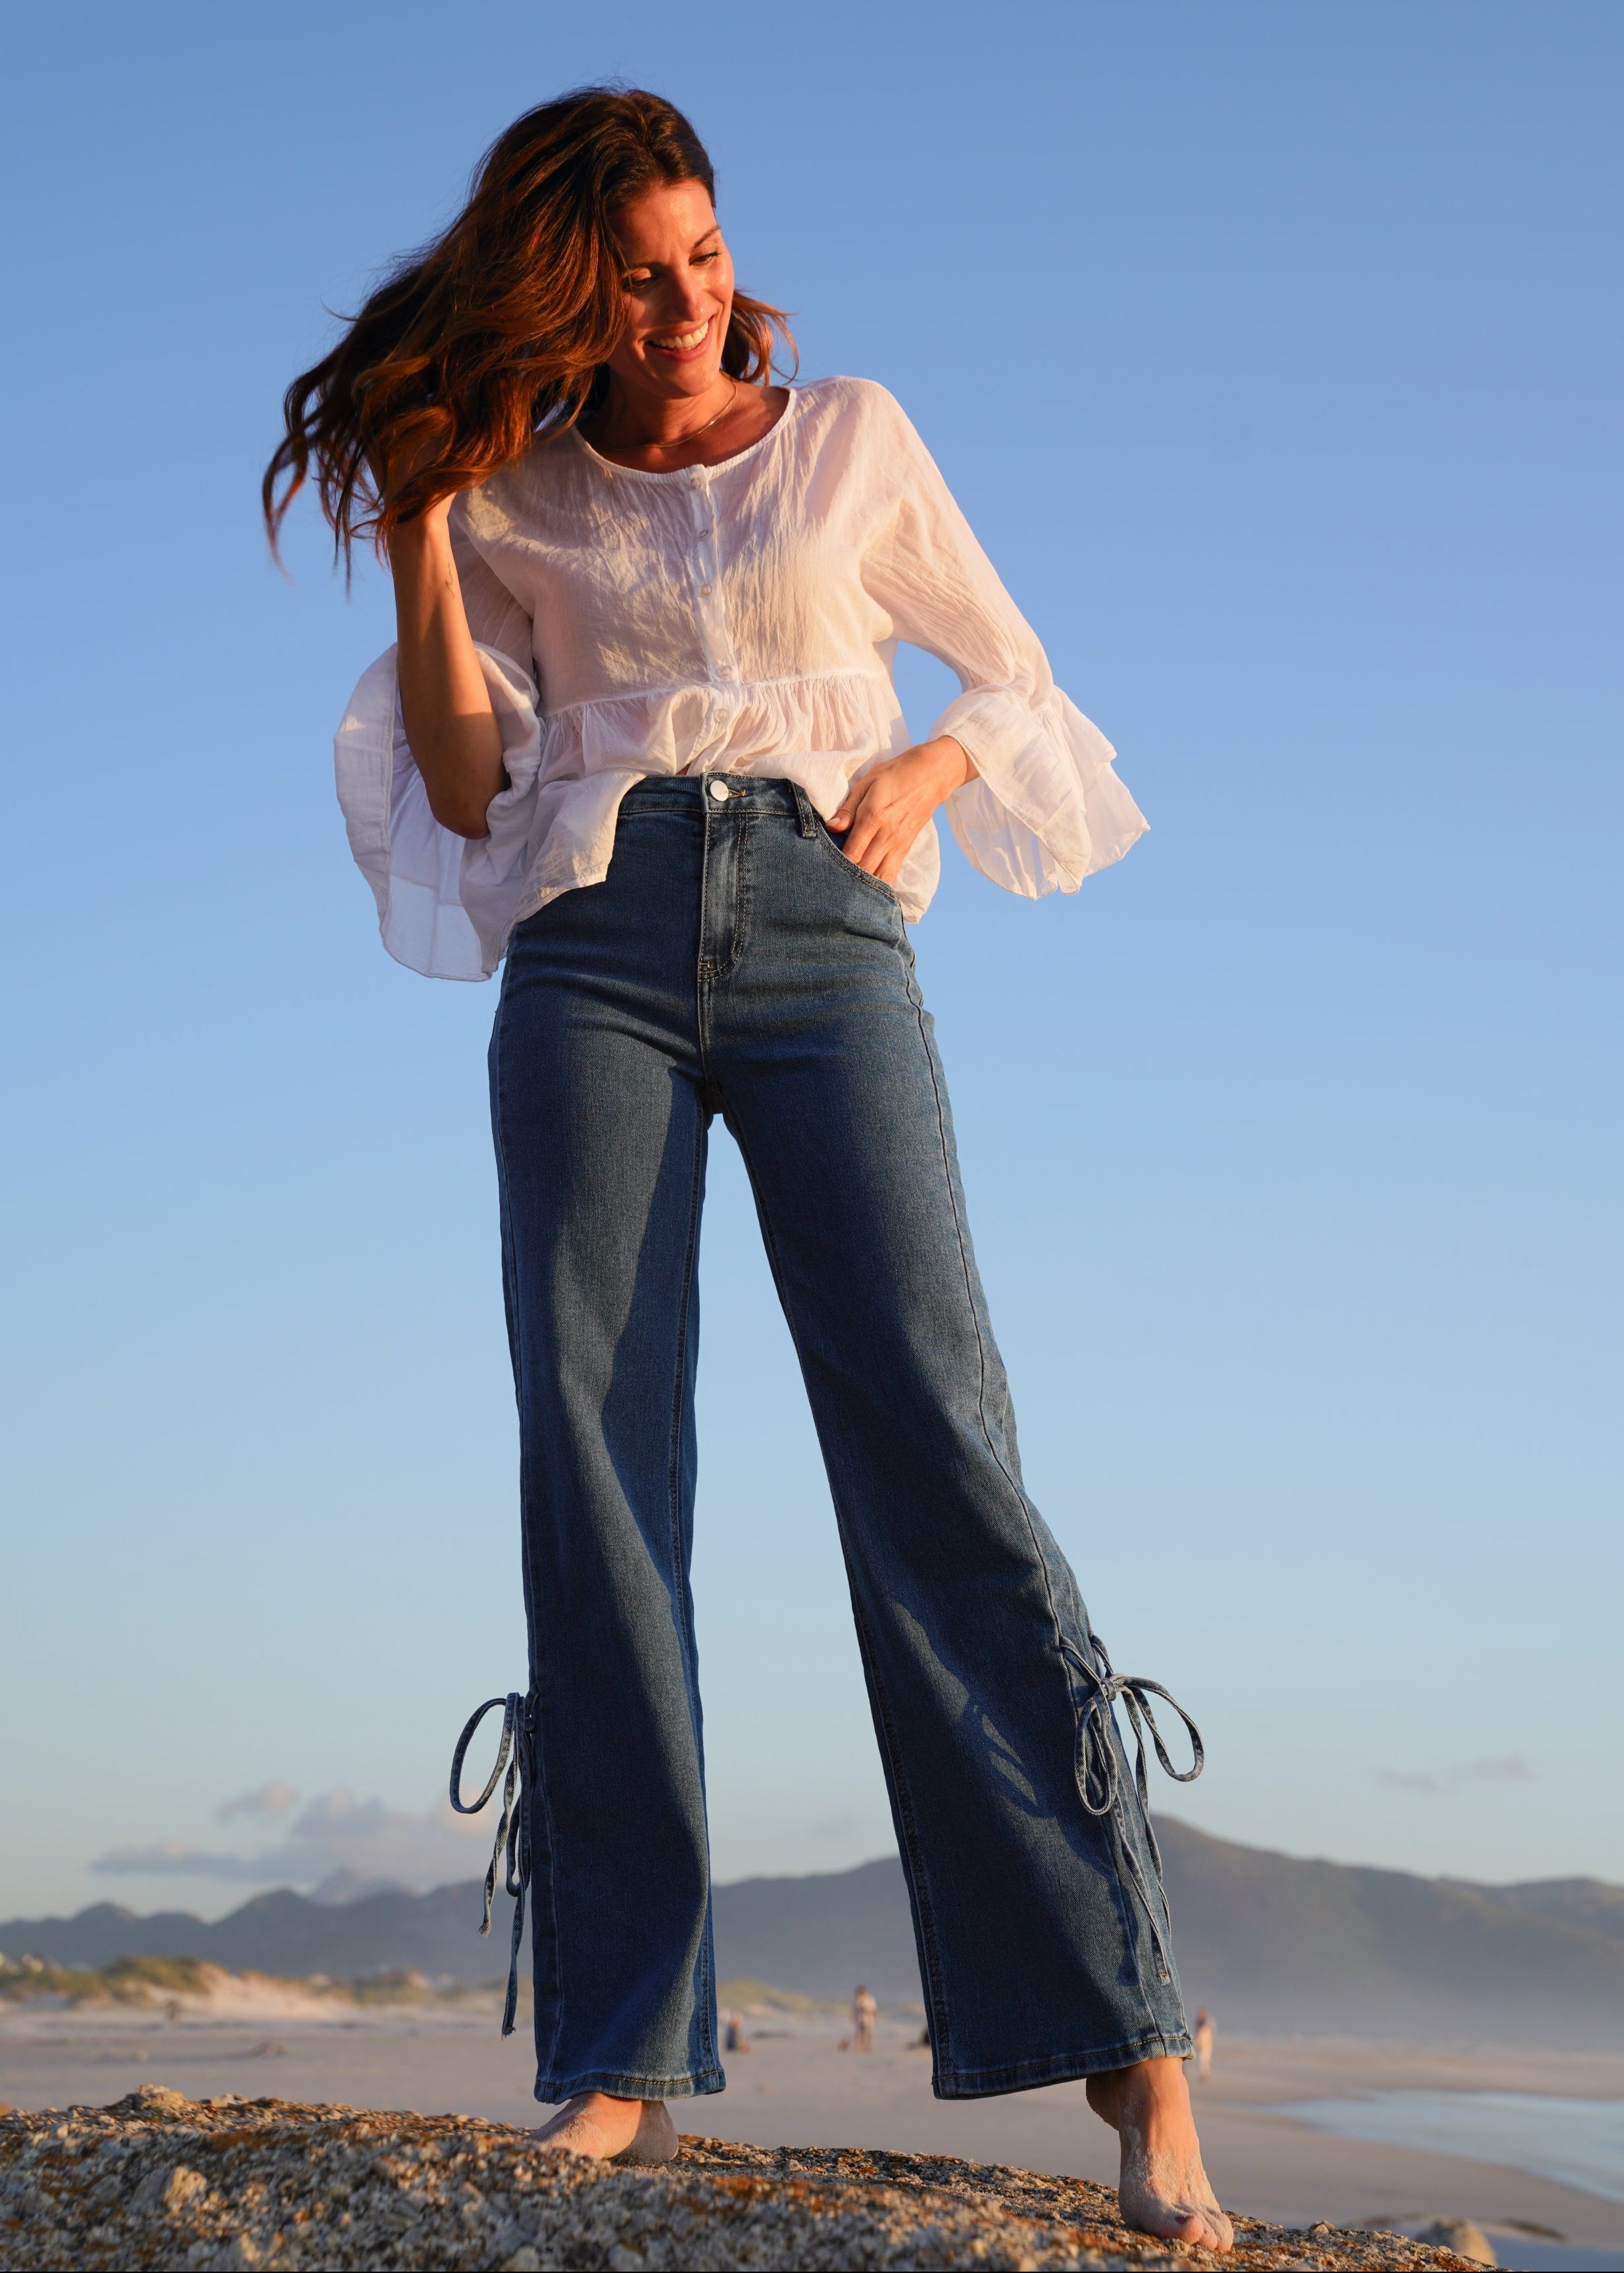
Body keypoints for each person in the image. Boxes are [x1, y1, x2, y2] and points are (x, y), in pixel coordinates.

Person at [264, 87, 1231, 2253]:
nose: (684, 300)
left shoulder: (847, 437)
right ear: (567, 297)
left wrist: (922, 759)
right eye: (637, 274)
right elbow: (455, 770)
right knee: (596, 1466)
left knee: (936, 1446)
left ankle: (1132, 2034)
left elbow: (1011, 671)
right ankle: (619, 2048)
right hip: (589, 948)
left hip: (821, 923)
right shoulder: (514, 489)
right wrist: (420, 529)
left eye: (703, 256)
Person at [852, 1986, 878, 2055]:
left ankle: (868, 2046)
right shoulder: (858, 2000)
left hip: (869, 2017)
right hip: (861, 2017)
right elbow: (855, 2009)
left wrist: (875, 2018)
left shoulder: (870, 1999)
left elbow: (874, 2009)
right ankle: (862, 2046)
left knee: (868, 2032)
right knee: (861, 2031)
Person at [1193, 2009, 1216, 2083]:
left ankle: (1205, 2074)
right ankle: (1204, 2073)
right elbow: (1198, 2035)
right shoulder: (1199, 2023)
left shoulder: (1209, 2023)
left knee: (1205, 2059)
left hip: (1207, 2044)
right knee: (1202, 2059)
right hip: (1202, 2044)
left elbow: (1212, 2032)